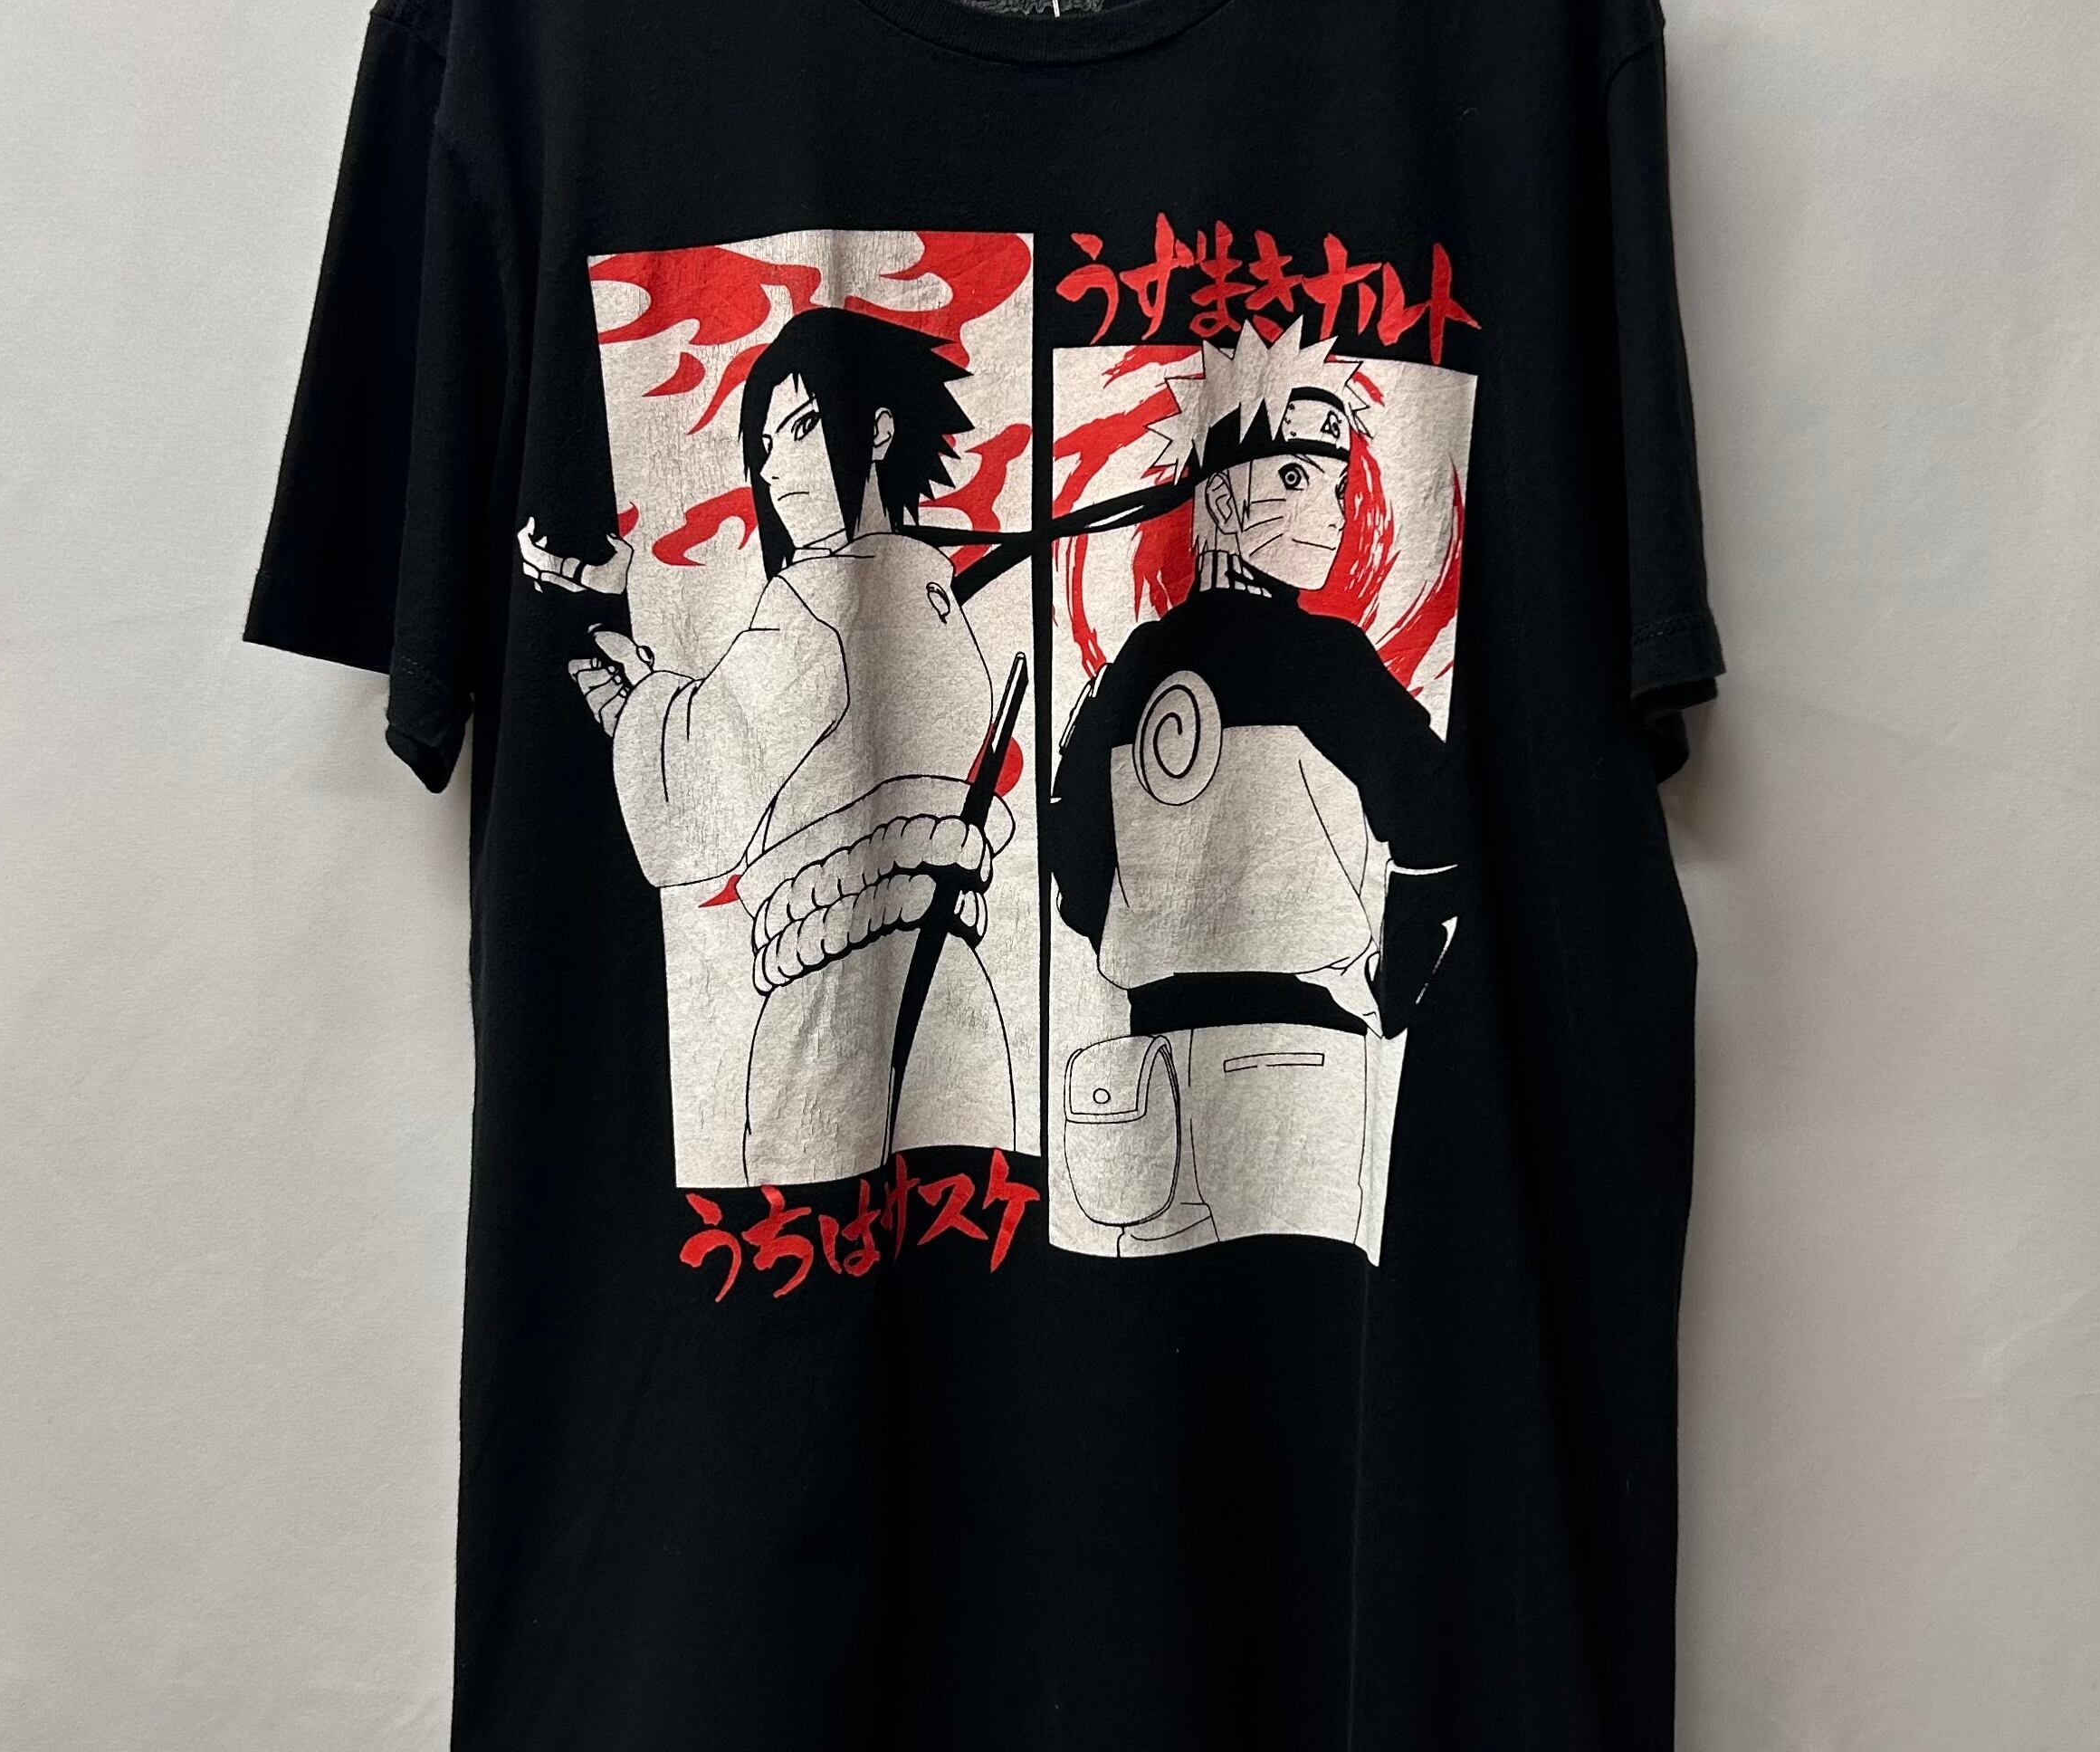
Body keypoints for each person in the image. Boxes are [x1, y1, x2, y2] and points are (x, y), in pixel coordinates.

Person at [525, 305, 1018, 1183]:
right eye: (763, 444)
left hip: (831, 998)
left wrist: (642, 704)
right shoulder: (933, 598)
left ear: (877, 431)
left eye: (802, 427)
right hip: (955, 989)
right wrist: (648, 661)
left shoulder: (813, 607)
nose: (776, 468)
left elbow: (693, 807)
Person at [1047, 320, 1462, 1252]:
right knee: (1297, 1286)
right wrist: (1395, 980)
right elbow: (1439, 820)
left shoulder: (1131, 668)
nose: (1332, 511)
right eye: (1297, 477)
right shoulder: (1326, 661)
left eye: (1339, 485)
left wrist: (1137, 926)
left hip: (1144, 1064)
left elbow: (1072, 849)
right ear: (1224, 501)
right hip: (1297, 1063)